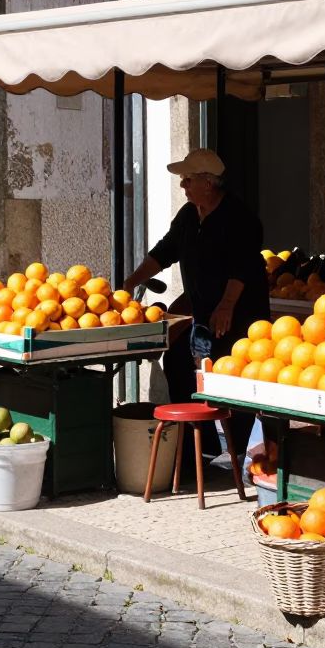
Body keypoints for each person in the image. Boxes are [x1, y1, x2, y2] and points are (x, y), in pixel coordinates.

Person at [124, 148, 269, 459]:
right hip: (203, 315)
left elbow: (241, 267)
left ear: (208, 182)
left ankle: (241, 453)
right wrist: (128, 284)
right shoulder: (190, 215)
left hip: (239, 316)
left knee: (233, 379)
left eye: (187, 179)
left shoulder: (240, 218)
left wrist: (227, 305)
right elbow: (163, 253)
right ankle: (198, 447)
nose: (182, 186)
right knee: (177, 363)